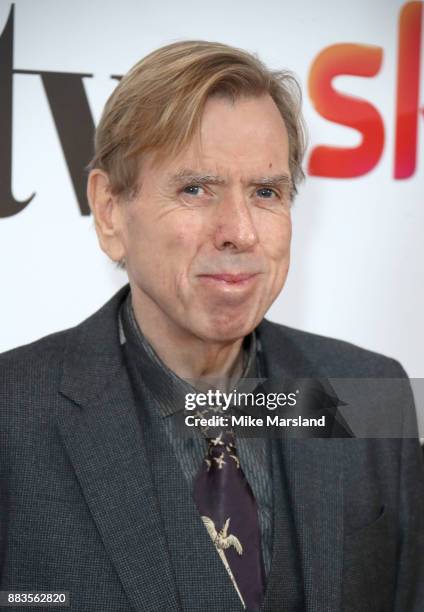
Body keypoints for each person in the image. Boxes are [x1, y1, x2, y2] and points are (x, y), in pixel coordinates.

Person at [0, 40, 423, 612]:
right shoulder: (12, 415)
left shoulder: (373, 393)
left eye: (266, 192)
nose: (241, 232)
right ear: (109, 210)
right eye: (195, 188)